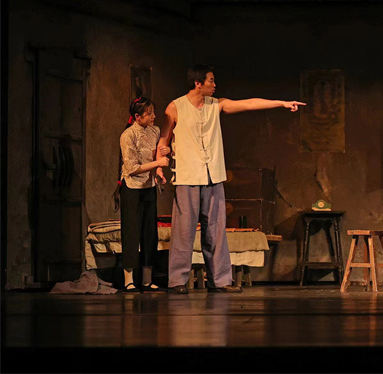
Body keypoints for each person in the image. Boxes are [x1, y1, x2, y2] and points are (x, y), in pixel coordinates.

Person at [157, 64, 305, 294]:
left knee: (215, 230)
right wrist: (159, 165)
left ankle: (219, 280)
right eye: (211, 80)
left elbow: (249, 104)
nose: (215, 85)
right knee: (183, 231)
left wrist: (281, 103)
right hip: (187, 175)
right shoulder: (175, 107)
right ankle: (177, 281)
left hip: (213, 175)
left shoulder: (216, 105)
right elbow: (163, 140)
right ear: (198, 83)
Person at [118, 97, 170, 292]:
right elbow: (131, 168)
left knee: (150, 233)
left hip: (148, 187)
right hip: (132, 189)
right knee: (132, 232)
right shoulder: (128, 135)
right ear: (137, 117)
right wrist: (157, 164)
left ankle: (147, 279)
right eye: (149, 114)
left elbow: (159, 152)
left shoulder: (154, 131)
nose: (154, 116)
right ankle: (128, 280)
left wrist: (162, 162)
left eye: (153, 112)